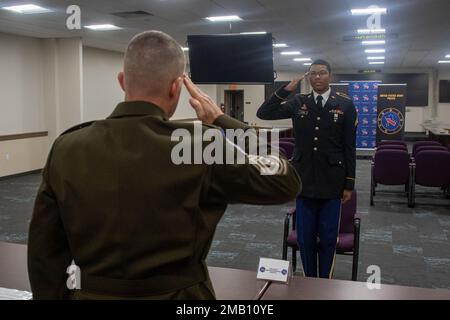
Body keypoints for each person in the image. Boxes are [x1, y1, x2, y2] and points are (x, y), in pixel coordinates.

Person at [27, 30, 301, 300]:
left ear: (122, 81)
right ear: (175, 87)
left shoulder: (66, 147)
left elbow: (44, 252)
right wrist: (221, 120)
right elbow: (284, 181)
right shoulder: (200, 146)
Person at [257, 59, 357, 278]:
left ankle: (325, 280)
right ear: (308, 77)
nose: (317, 77)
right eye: (312, 74)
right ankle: (310, 279)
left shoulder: (345, 104)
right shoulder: (298, 102)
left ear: (330, 76)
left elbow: (349, 146)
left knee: (329, 237)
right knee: (305, 237)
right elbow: (264, 113)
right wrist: (286, 89)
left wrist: (349, 183)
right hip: (303, 180)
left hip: (333, 180)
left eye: (321, 73)